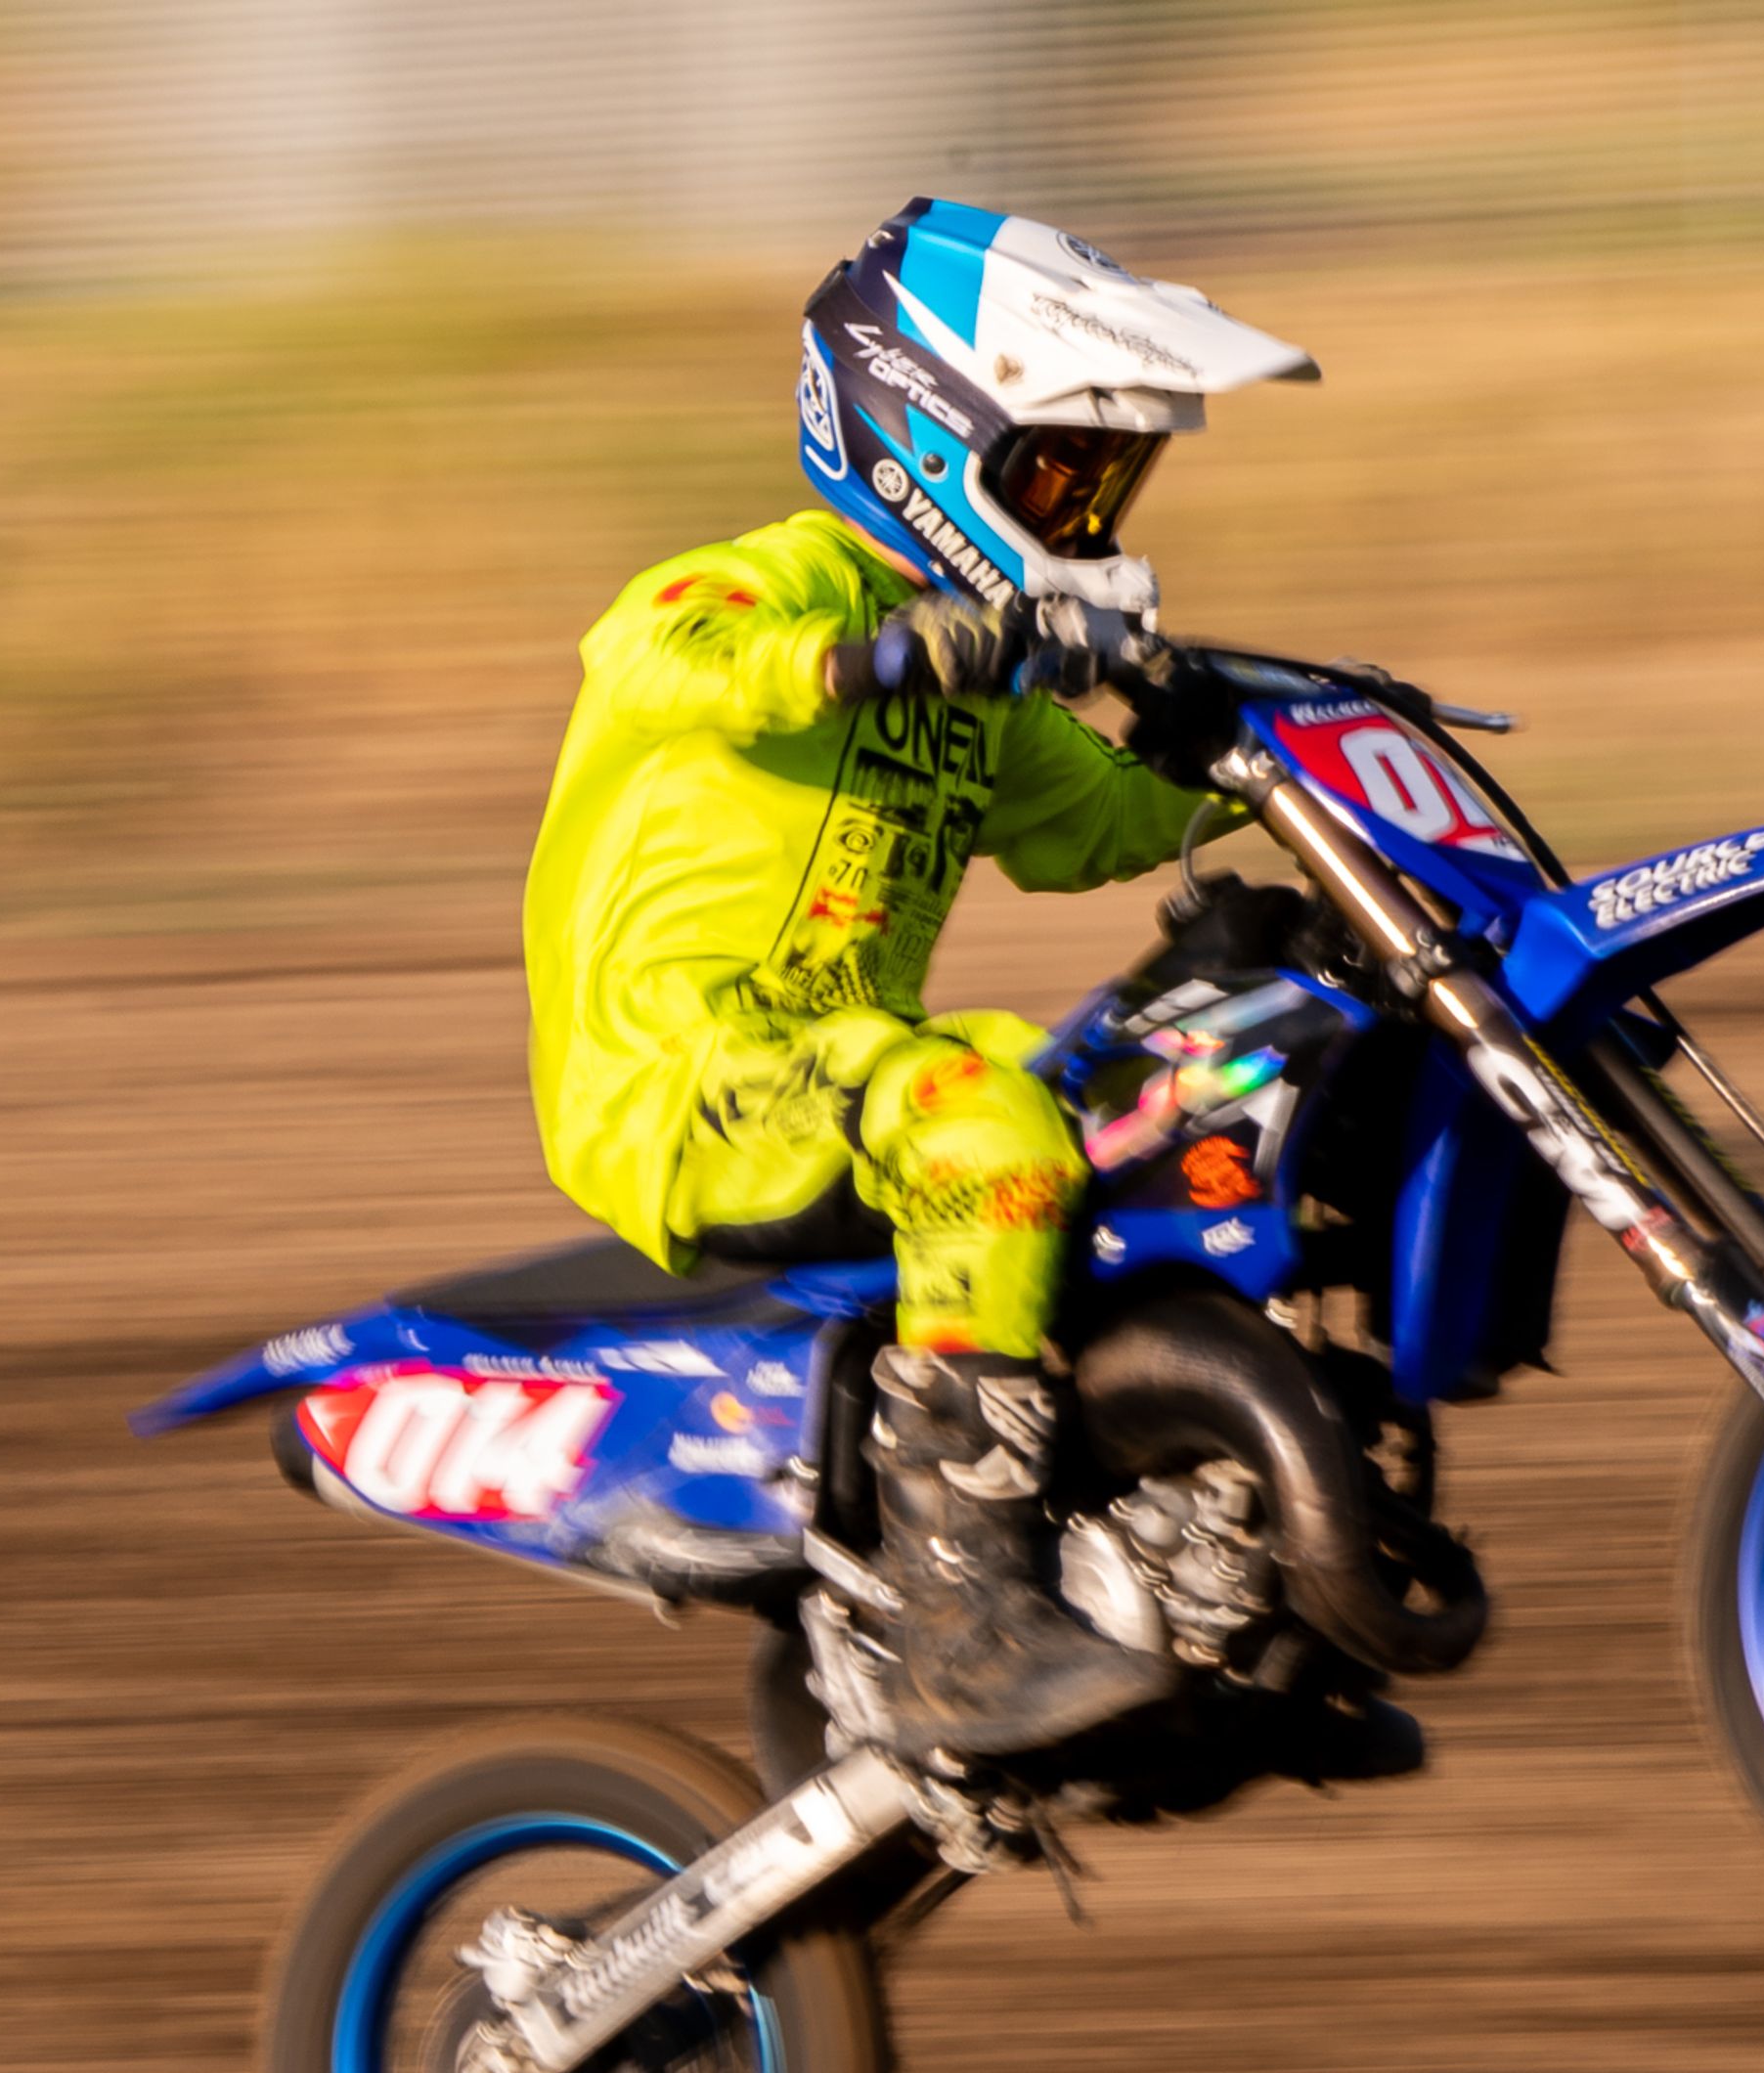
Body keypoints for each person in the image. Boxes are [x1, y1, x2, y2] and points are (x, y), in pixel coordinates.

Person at [522, 199, 1317, 1756]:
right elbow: (653, 654)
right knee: (986, 1116)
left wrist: (1280, 770)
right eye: (1063, 472)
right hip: (686, 1076)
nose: (1089, 512)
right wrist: (864, 661)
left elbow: (1095, 825)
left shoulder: (981, 689)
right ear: (930, 435)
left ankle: (1196, 1573)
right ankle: (965, 1613)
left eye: (1109, 479)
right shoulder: (776, 588)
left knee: (1135, 1095)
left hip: (839, 1070)